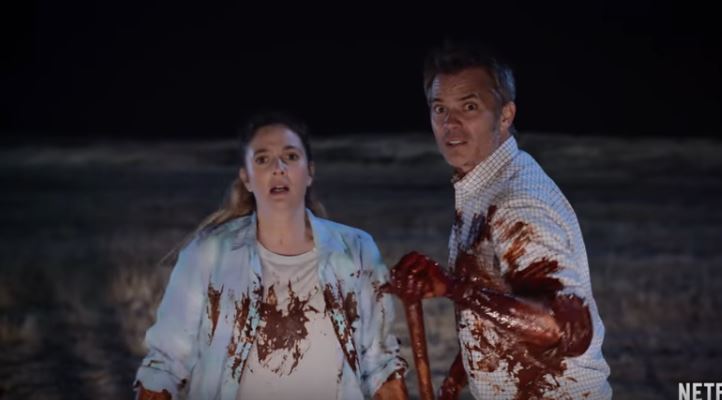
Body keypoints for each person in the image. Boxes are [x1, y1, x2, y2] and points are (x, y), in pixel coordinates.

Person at [386, 44, 612, 399]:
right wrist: (457, 377)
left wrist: (453, 288)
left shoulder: (517, 202)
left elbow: (563, 329)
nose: (450, 124)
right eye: (440, 109)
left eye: (469, 107)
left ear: (505, 115)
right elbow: (499, 300)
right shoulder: (484, 186)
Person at [134, 112, 408, 400]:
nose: (278, 168)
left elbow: (380, 363)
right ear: (246, 178)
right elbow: (165, 363)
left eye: (290, 156)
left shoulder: (356, 250)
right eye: (263, 159)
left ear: (309, 172)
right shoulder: (209, 253)